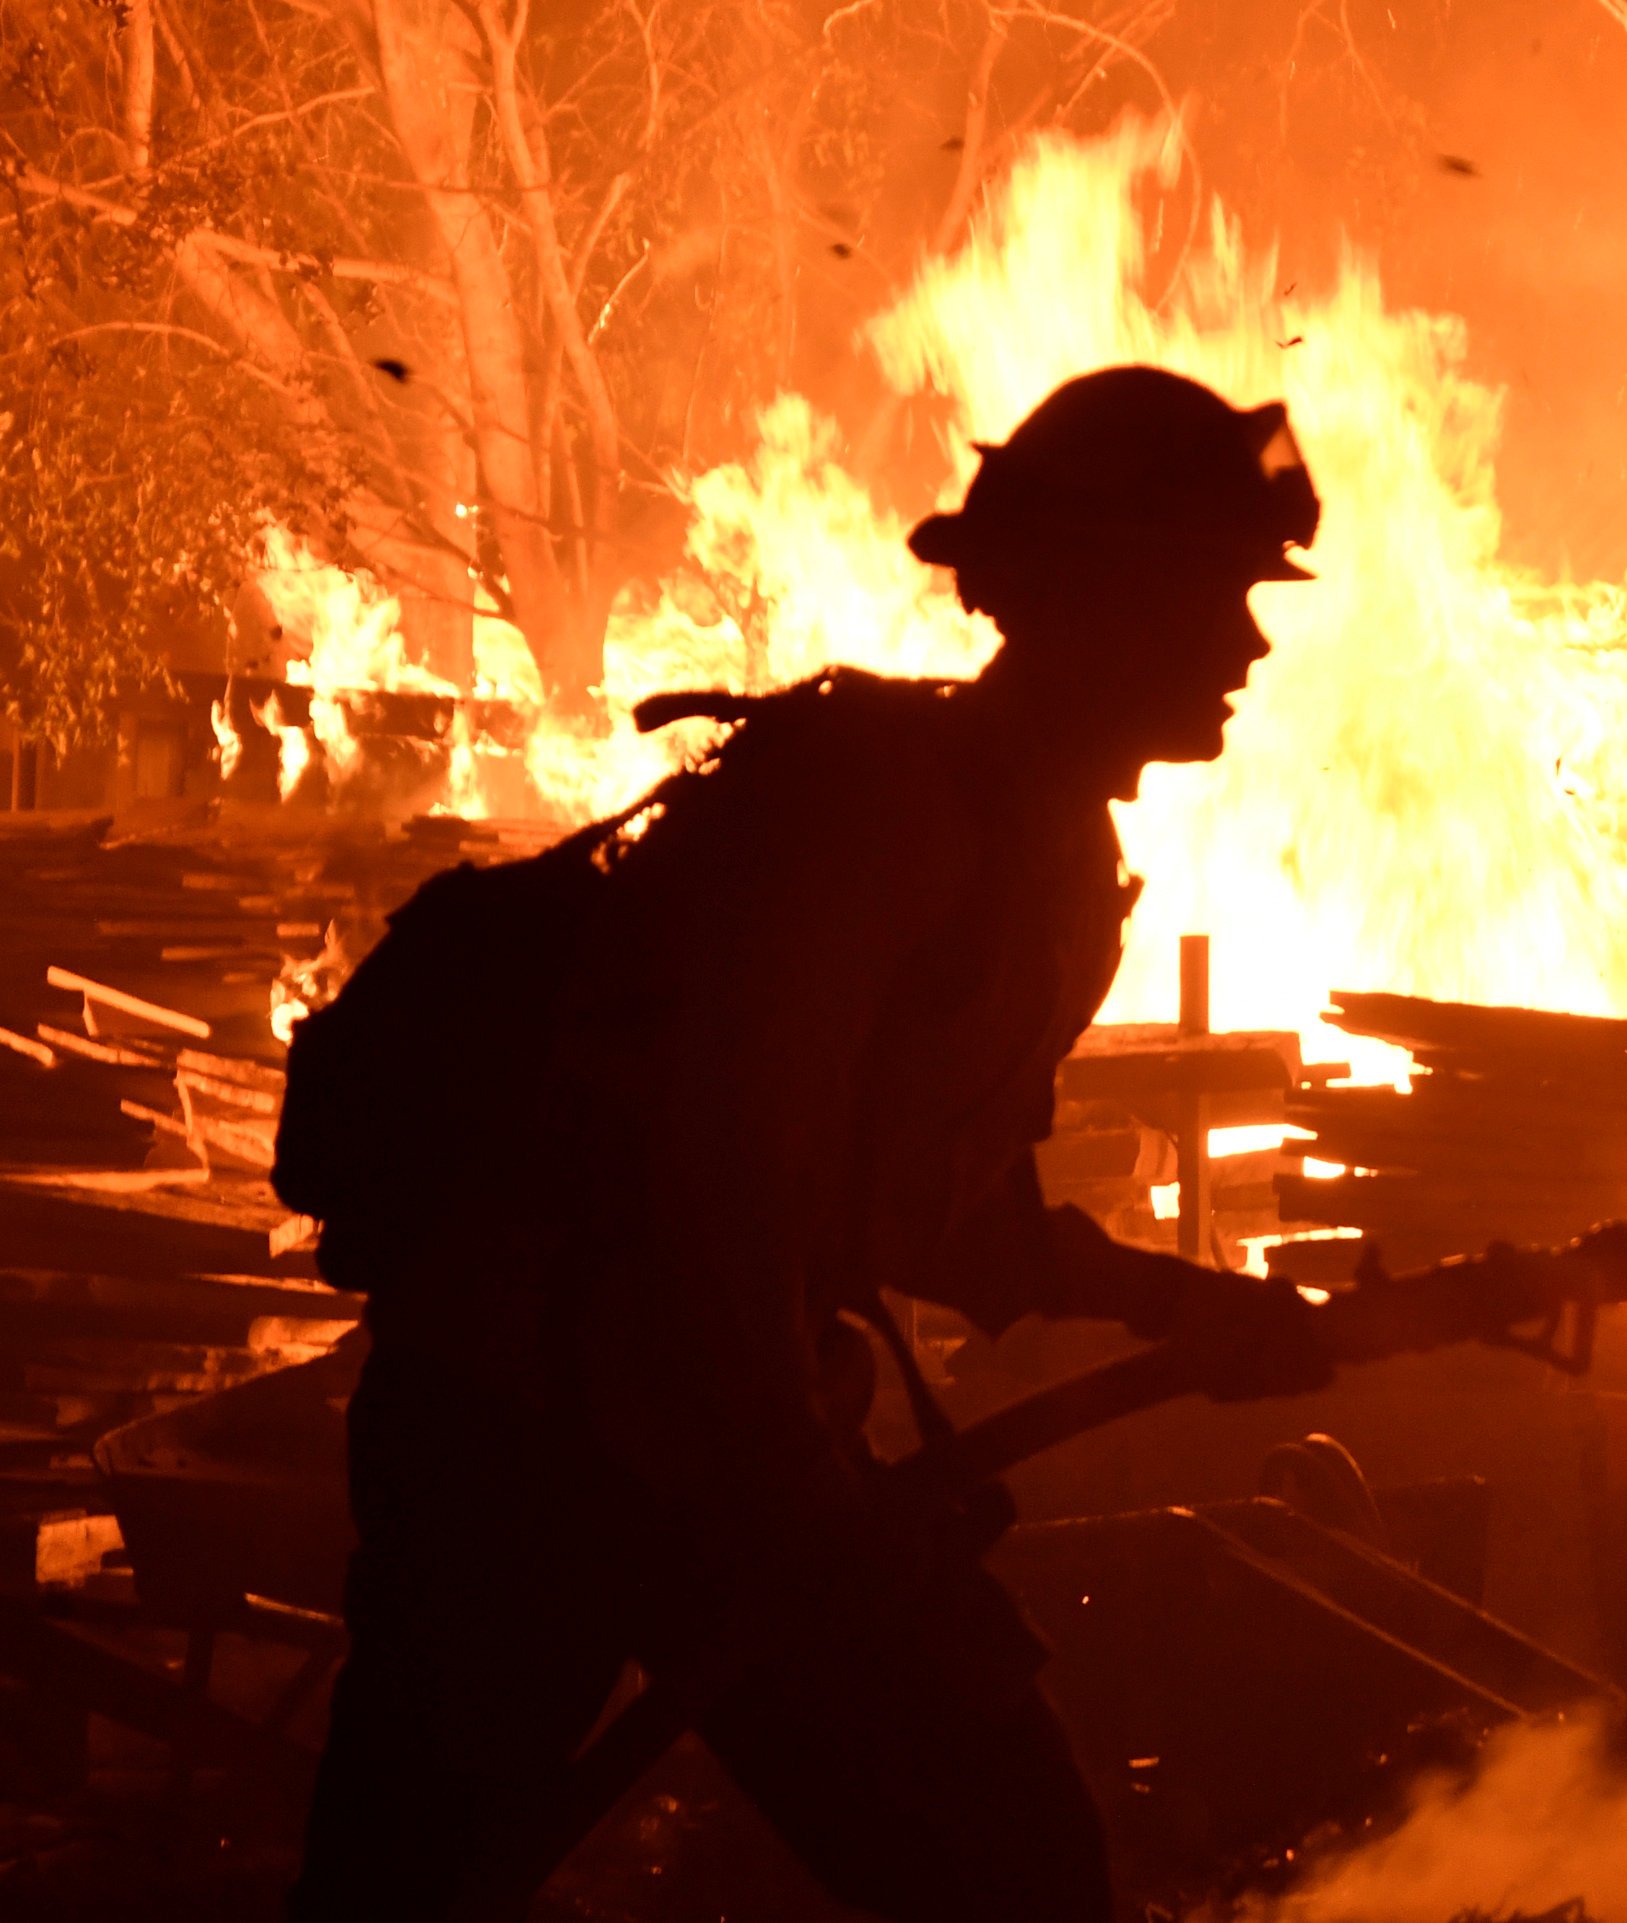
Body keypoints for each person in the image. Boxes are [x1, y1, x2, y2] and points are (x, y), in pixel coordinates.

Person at [284, 366, 1335, 1922]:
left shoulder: (1050, 853)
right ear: (1105, 596)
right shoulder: (876, 816)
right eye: (1220, 597)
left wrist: (1187, 1306)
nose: (1250, 645)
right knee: (413, 1887)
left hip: (707, 1429)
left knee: (1011, 1865)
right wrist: (801, 1492)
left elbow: (925, 1219)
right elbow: (722, 1172)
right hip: (527, 1433)